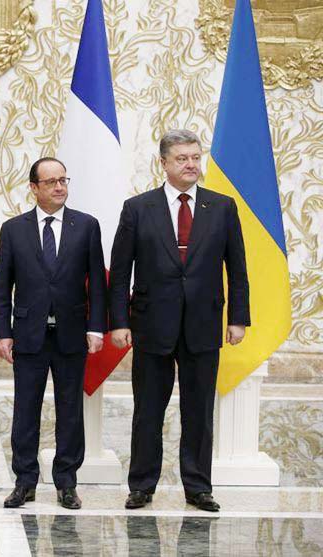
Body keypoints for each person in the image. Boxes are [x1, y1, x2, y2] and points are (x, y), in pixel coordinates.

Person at [108, 129, 249, 512]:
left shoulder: (222, 207)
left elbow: (237, 268)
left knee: (199, 411)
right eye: (182, 159)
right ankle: (142, 485)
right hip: (152, 324)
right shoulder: (138, 208)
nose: (191, 165)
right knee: (148, 411)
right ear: (164, 163)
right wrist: (118, 321)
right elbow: (120, 272)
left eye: (195, 157)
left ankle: (198, 487)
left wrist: (238, 318)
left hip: (203, 325)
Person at [0, 157, 106, 510]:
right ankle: (24, 481)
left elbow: (97, 285)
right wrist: (2, 332)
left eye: (63, 180)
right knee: (26, 410)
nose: (59, 187)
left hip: (72, 334)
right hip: (28, 334)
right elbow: (2, 285)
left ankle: (67, 482)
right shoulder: (14, 229)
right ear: (34, 187)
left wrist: (96, 326)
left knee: (70, 411)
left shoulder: (86, 226)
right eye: (51, 181)